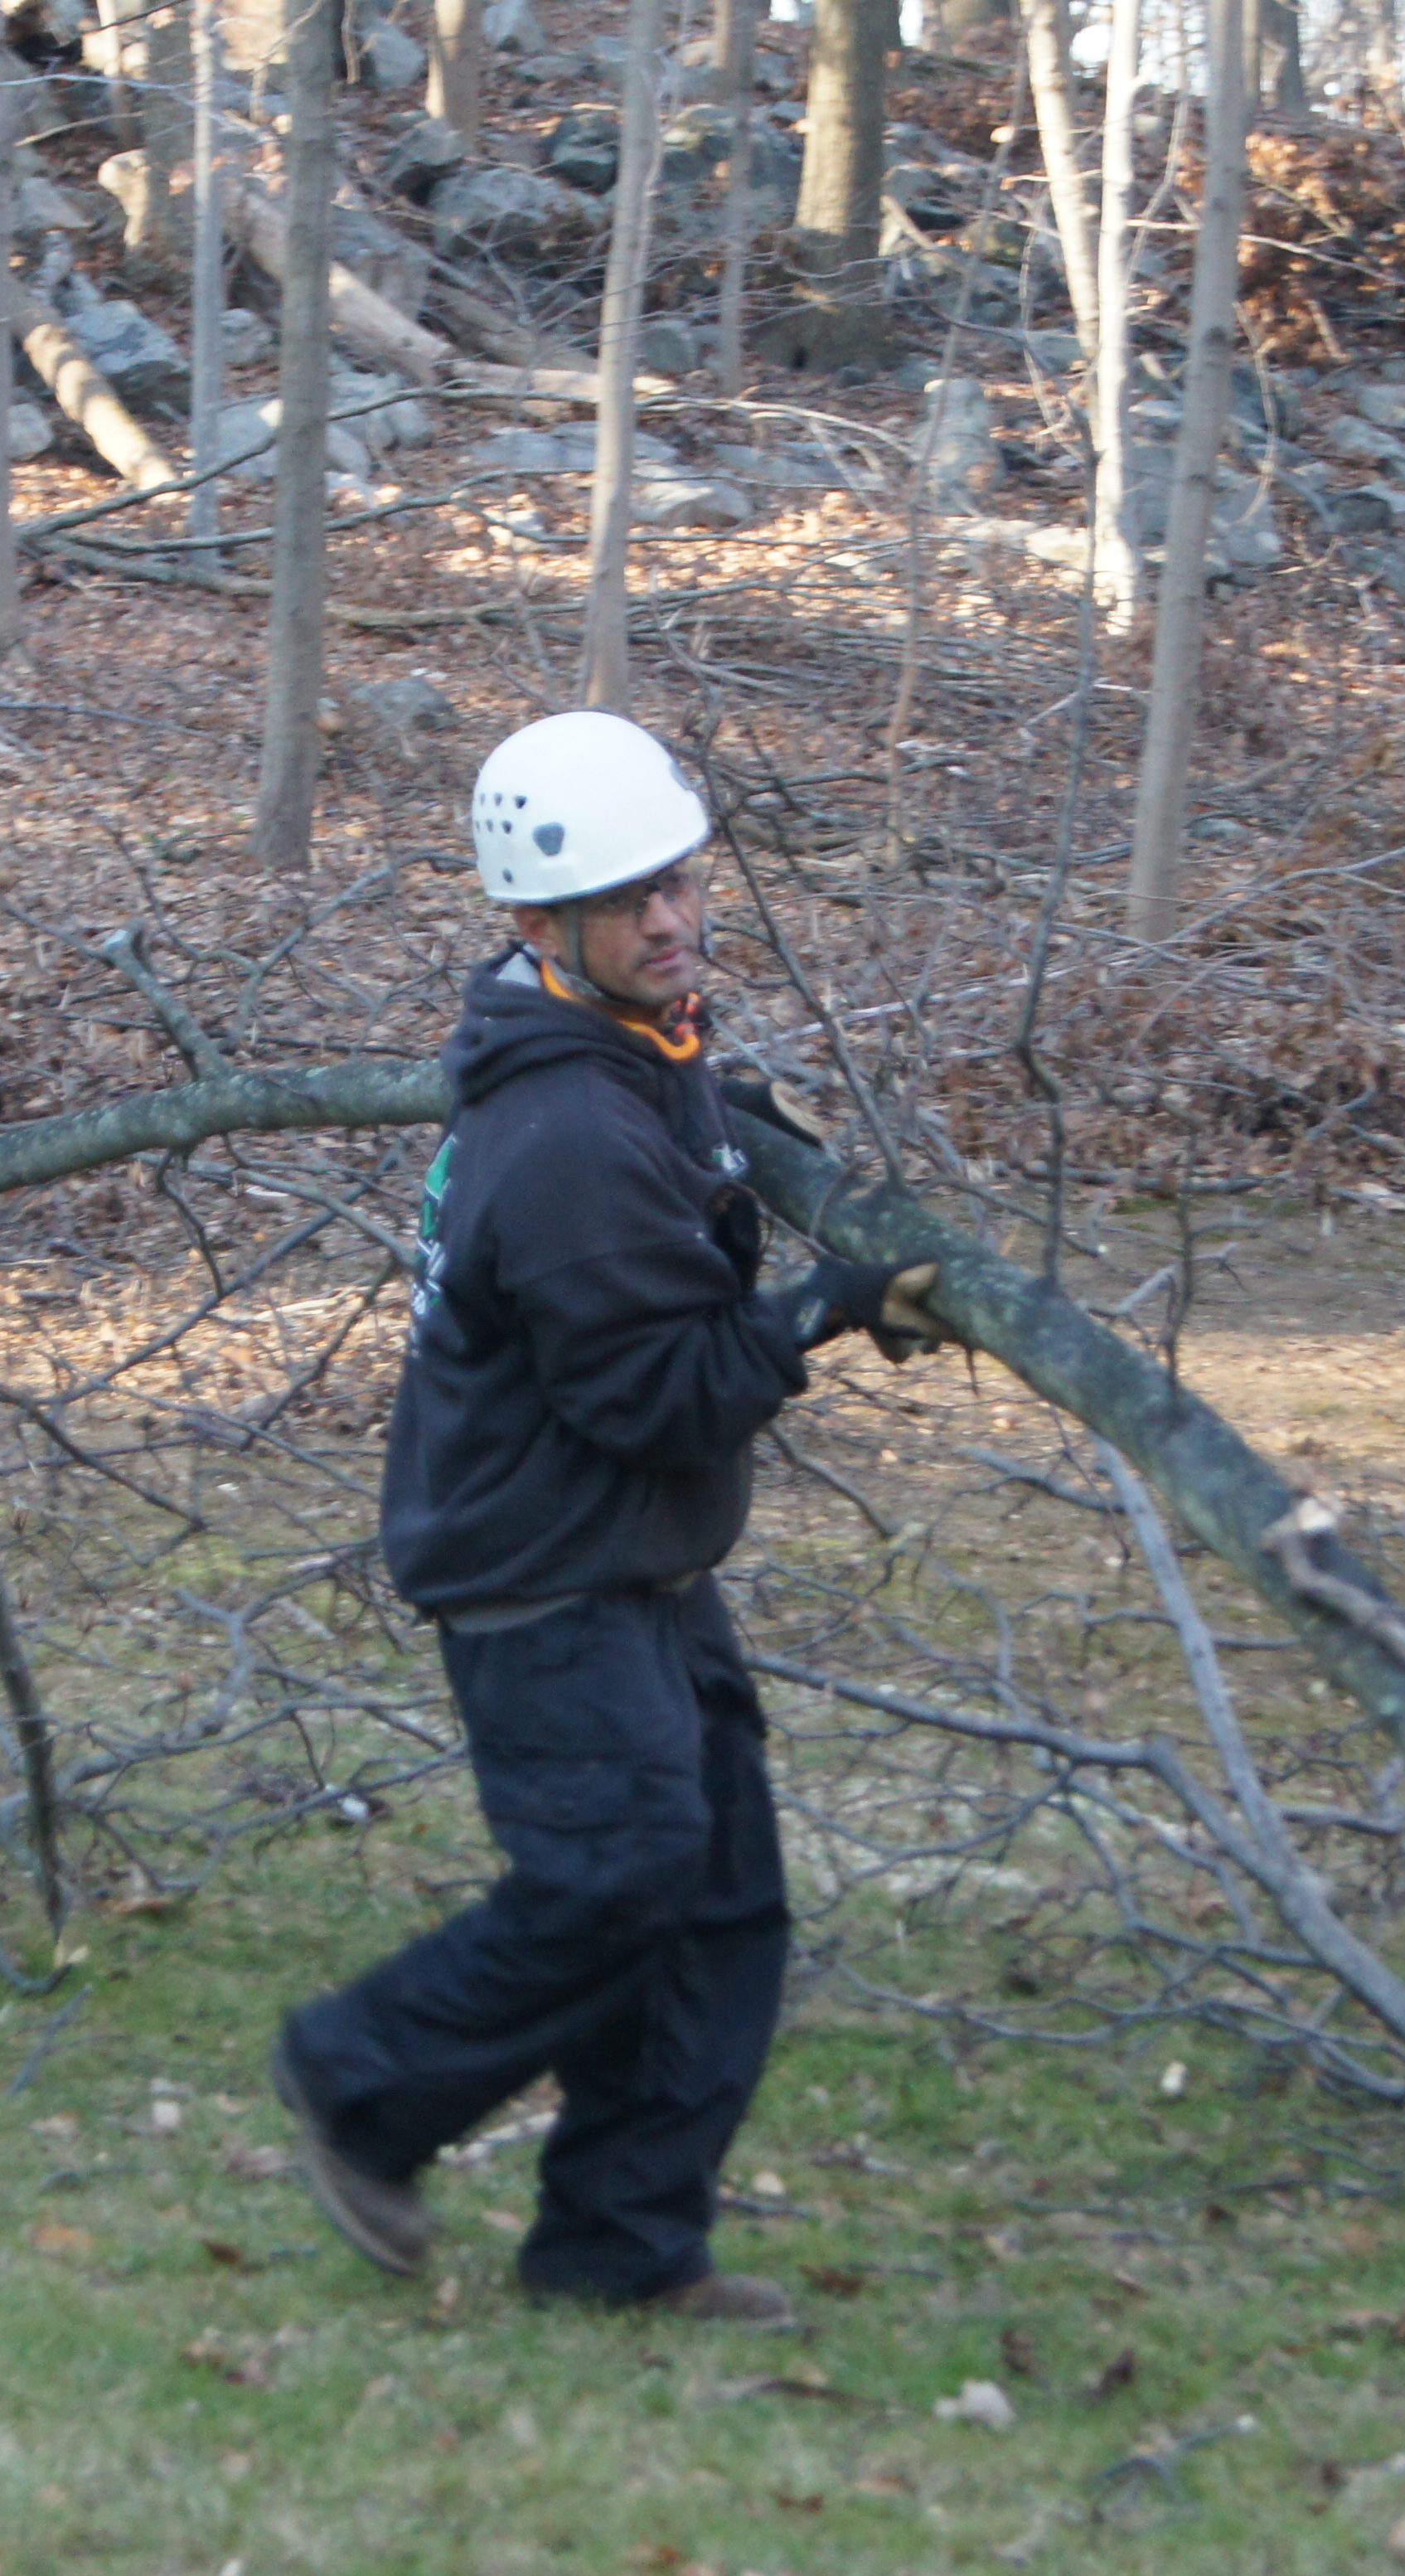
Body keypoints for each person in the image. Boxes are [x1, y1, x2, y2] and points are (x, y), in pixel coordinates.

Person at [268, 709, 942, 2327]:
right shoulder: (564, 1133)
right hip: (539, 1570)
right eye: (628, 902)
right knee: (615, 1874)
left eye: (677, 884)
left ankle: (617, 2251)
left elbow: (686, 1169)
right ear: (534, 926)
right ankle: (360, 2079)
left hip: (628, 1559)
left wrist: (755, 1149)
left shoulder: (630, 1057)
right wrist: (827, 1308)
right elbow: (660, 1394)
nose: (667, 919)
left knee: (715, 1901)